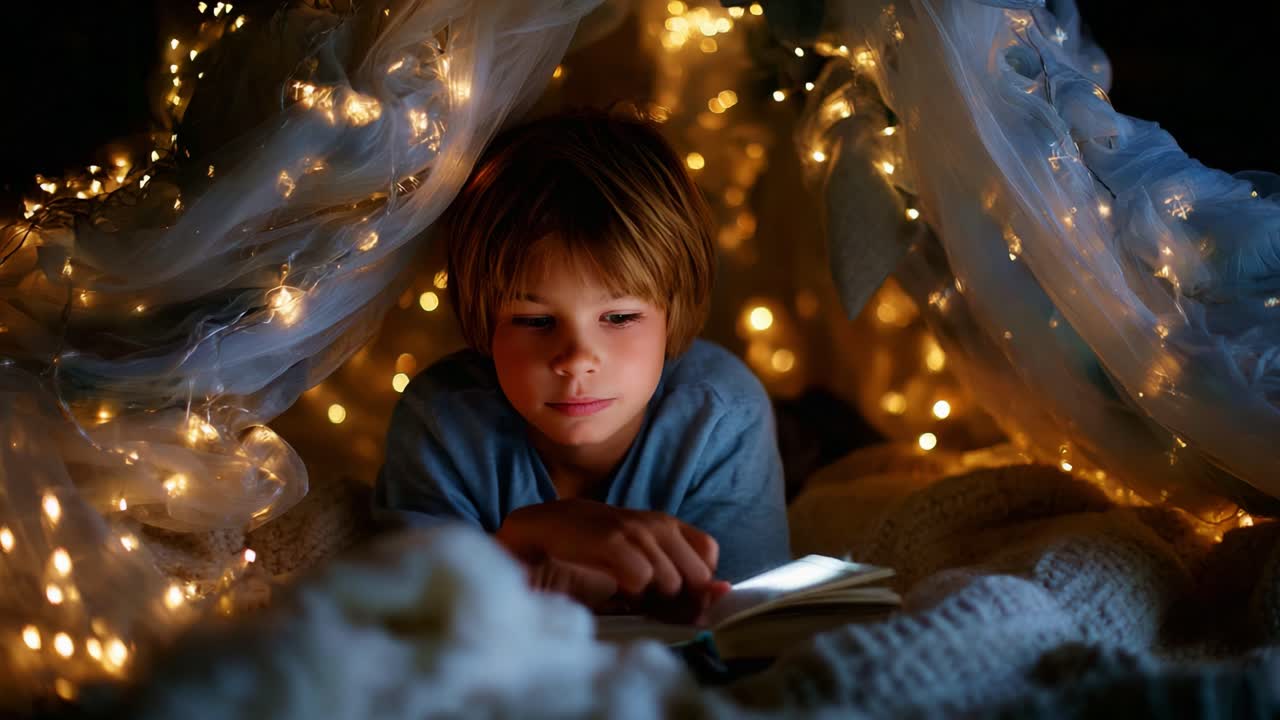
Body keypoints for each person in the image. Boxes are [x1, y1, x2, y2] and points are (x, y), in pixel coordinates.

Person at [374, 108, 790, 621]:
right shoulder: (441, 420)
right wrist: (527, 538)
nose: (575, 360)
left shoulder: (722, 416)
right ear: (483, 320)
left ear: (674, 311)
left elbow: (746, 624)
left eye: (618, 316)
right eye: (533, 320)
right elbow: (411, 621)